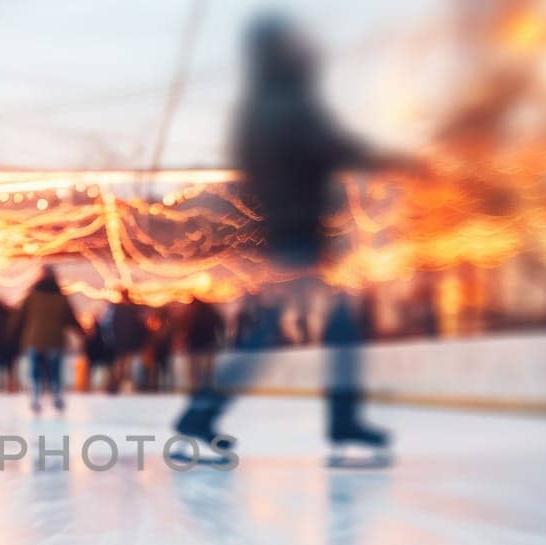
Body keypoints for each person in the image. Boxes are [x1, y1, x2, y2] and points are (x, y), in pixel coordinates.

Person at [173, 17, 404, 460]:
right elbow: (328, 147)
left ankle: (204, 413)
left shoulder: (264, 106)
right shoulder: (285, 104)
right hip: (295, 234)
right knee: (322, 326)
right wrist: (393, 161)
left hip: (288, 232)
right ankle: (338, 422)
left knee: (287, 328)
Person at [11, 266, 83, 413]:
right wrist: (83, 333)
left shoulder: (31, 297)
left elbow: (19, 319)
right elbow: (71, 319)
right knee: (55, 372)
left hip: (34, 340)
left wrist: (11, 335)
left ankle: (36, 397)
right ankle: (57, 396)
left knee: (35, 372)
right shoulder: (61, 298)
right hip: (54, 340)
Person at [104, 288, 145, 394]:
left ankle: (115, 385)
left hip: (120, 342)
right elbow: (138, 327)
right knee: (126, 365)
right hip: (129, 342)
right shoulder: (133, 309)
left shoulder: (116, 309)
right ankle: (123, 386)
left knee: (119, 364)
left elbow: (110, 326)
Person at [182, 295, 226, 389]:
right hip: (207, 344)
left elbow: (185, 329)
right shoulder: (210, 312)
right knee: (207, 369)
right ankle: (207, 387)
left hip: (196, 345)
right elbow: (220, 326)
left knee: (196, 369)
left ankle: (197, 387)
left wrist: (184, 342)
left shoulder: (191, 314)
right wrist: (220, 340)